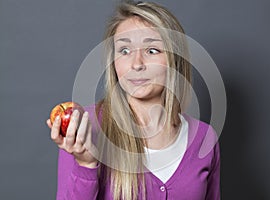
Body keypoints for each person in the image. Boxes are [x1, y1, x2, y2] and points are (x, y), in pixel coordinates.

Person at [46, 1, 220, 199]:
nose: (136, 64)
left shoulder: (205, 137)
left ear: (175, 60)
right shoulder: (86, 127)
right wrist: (86, 166)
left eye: (152, 50)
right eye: (125, 51)